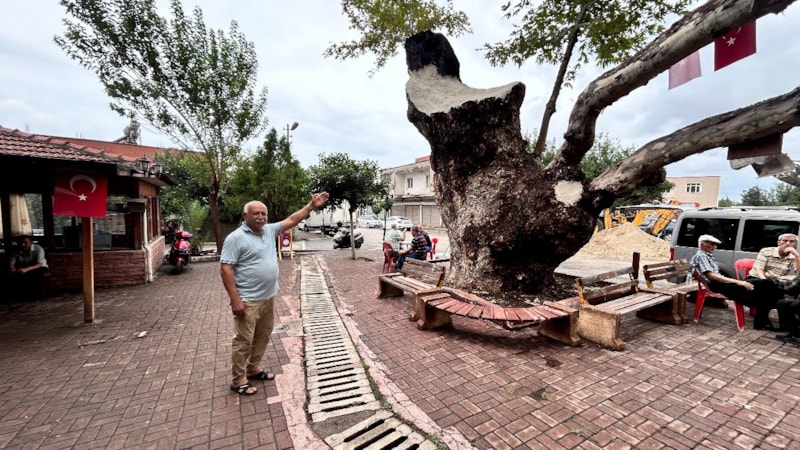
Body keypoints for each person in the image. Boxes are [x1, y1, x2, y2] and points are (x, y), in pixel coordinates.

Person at [220, 193, 330, 395]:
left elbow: (291, 220)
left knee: (262, 335)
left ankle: (253, 368)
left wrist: (310, 206)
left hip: (268, 296)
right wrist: (235, 300)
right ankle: (238, 380)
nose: (260, 216)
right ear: (245, 216)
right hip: (248, 299)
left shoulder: (268, 231)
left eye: (263, 213)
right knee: (243, 339)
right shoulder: (235, 238)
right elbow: (226, 269)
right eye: (255, 213)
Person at [690, 234, 782, 330]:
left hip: (722, 283)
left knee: (766, 289)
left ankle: (761, 321)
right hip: (717, 285)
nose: (715, 247)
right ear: (702, 245)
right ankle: (762, 320)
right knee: (768, 285)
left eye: (715, 244)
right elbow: (712, 276)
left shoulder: (706, 255)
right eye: (712, 244)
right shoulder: (701, 256)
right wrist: (739, 282)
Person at [747, 233, 800, 331]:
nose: (788, 244)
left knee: (788, 292)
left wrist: (796, 255)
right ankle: (762, 322)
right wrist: (765, 281)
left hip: (775, 282)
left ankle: (763, 322)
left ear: (795, 245)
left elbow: (799, 272)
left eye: (792, 241)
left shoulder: (793, 257)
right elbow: (759, 269)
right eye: (784, 241)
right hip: (756, 279)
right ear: (778, 242)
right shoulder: (766, 251)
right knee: (768, 290)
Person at [9, 235, 49, 300]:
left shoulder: (38, 248)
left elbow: (39, 264)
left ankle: (37, 295)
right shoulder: (16, 250)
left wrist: (26, 269)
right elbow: (12, 263)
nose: (23, 245)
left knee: (35, 273)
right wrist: (12, 268)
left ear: (31, 242)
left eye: (25, 243)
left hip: (39, 267)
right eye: (21, 243)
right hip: (24, 268)